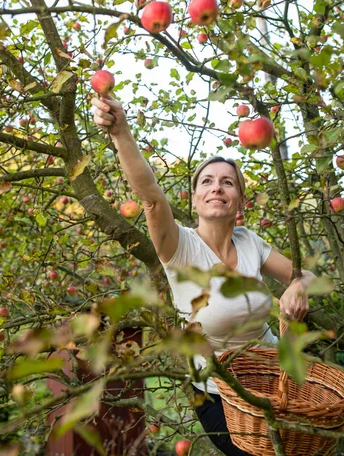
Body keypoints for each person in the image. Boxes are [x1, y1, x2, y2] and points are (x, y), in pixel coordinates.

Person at [92, 94, 316, 456]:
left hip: (274, 379)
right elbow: (150, 197)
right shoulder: (179, 247)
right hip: (217, 394)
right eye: (208, 182)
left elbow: (304, 276)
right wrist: (121, 133)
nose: (217, 187)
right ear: (195, 198)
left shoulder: (250, 242)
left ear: (240, 200)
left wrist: (297, 288)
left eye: (227, 183)